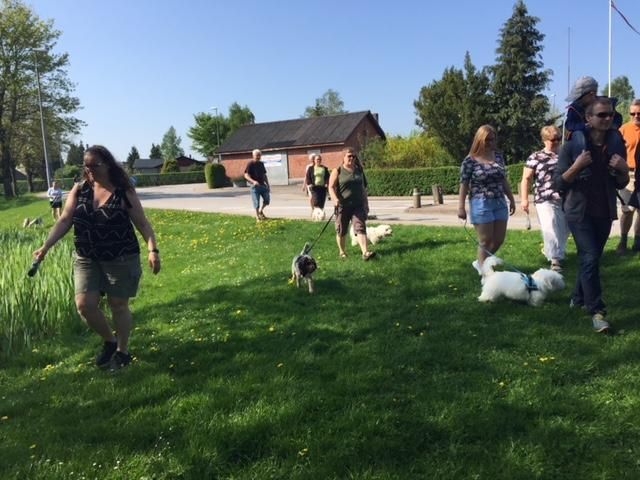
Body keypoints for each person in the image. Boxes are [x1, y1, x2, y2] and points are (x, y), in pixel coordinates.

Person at [34, 145, 161, 369]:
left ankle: (122, 351)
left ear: (108, 165)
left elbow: (142, 223)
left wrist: (153, 250)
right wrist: (45, 247)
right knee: (84, 305)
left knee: (118, 304)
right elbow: (65, 219)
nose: (89, 169)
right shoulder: (80, 189)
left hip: (120, 256)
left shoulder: (123, 191)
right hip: (87, 257)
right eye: (86, 165)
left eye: (95, 165)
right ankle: (110, 341)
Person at [554, 97, 629, 334]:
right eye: (601, 115)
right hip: (578, 211)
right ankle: (597, 312)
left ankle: (577, 298)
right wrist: (577, 166)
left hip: (604, 211)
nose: (607, 119)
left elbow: (621, 183)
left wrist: (624, 170)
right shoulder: (571, 147)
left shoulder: (615, 145)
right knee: (589, 256)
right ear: (588, 118)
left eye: (610, 115)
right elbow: (558, 183)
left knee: (592, 258)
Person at [457, 125, 516, 272]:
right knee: (485, 240)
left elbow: (503, 180)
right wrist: (461, 207)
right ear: (479, 140)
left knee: (498, 240)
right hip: (480, 203)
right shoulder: (470, 160)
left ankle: (480, 262)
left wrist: (511, 199)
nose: (490, 142)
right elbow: (464, 184)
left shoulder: (498, 156)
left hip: (499, 201)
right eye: (487, 140)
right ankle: (484, 273)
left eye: (493, 139)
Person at [520, 126, 569, 271]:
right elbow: (526, 178)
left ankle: (553, 251)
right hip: (545, 198)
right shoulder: (536, 157)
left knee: (564, 229)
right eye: (553, 140)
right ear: (544, 140)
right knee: (550, 226)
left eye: (559, 139)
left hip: (566, 197)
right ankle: (555, 260)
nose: (557, 142)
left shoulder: (566, 154)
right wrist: (524, 199)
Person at [329, 147, 376, 260]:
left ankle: (365, 253)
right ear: (343, 157)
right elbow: (331, 187)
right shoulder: (337, 171)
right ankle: (342, 252)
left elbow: (363, 189)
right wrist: (335, 199)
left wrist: (366, 204)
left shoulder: (359, 170)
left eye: (354, 156)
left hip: (358, 205)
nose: (352, 158)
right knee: (341, 230)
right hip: (343, 206)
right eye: (349, 156)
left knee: (360, 227)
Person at [615, 99, 640, 254]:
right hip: (628, 173)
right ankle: (623, 241)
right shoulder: (623, 129)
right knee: (627, 209)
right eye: (633, 113)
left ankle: (637, 242)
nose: (636, 116)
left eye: (639, 113)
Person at [244, 149, 270, 221]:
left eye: (259, 155)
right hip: (254, 187)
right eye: (257, 155)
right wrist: (253, 181)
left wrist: (268, 184)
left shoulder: (261, 164)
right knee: (256, 202)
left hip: (262, 185)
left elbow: (264, 175)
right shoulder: (250, 164)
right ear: (253, 156)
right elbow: (246, 175)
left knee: (267, 200)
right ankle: (257, 217)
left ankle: (261, 211)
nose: (258, 157)